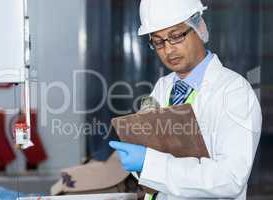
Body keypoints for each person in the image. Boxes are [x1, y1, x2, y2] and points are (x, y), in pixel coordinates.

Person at [109, 0, 262, 199]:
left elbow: (230, 178)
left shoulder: (234, 91)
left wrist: (149, 163)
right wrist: (140, 161)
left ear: (199, 27)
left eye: (176, 36)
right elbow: (151, 164)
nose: (168, 50)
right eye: (158, 41)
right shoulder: (163, 87)